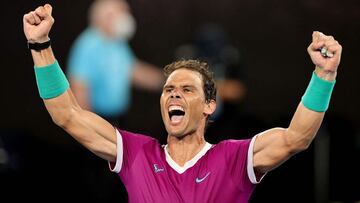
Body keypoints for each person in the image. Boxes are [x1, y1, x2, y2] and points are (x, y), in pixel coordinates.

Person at [23, 4, 342, 203]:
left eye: (187, 89)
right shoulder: (136, 155)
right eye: (169, 89)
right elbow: (67, 114)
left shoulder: (234, 158)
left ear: (209, 106)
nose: (173, 94)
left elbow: (296, 137)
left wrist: (324, 75)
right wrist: (40, 45)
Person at [67, 0, 164, 126]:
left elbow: (133, 71)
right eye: (121, 12)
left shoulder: (118, 43)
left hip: (119, 119)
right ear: (105, 17)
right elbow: (79, 88)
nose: (126, 17)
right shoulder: (88, 46)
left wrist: (170, 80)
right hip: (99, 120)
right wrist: (90, 128)